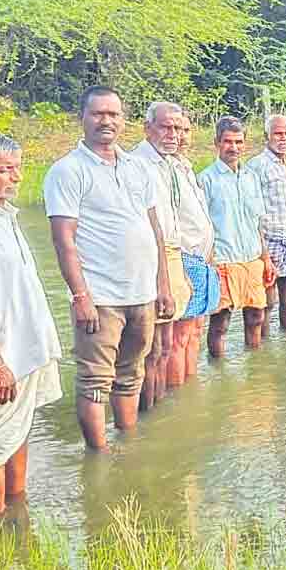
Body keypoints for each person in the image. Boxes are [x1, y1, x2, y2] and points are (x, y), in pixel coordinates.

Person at [44, 86, 174, 451]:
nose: (106, 121)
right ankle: (98, 458)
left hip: (142, 294)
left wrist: (162, 284)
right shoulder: (67, 171)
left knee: (131, 374)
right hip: (100, 296)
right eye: (98, 113)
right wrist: (80, 296)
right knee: (94, 381)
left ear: (123, 120)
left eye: (113, 114)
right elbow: (63, 240)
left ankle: (127, 446)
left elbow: (154, 228)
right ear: (82, 118)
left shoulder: (138, 167)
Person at [0, 131, 63, 517]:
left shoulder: (3, 216)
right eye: (5, 170)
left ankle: (17, 516)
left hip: (27, 349)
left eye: (18, 168)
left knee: (18, 434)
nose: (16, 178)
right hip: (1, 358)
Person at [131, 102, 195, 410]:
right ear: (148, 128)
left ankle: (161, 414)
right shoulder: (137, 164)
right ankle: (146, 416)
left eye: (178, 128)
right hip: (150, 260)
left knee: (166, 345)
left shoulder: (169, 163)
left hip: (172, 254)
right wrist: (162, 281)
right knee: (152, 349)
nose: (173, 135)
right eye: (165, 127)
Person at [199, 118, 275, 357]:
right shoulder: (205, 180)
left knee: (256, 316)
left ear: (245, 144)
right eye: (228, 142)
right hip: (222, 260)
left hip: (252, 258)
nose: (233, 147)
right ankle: (218, 370)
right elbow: (203, 227)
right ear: (217, 143)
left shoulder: (251, 177)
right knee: (220, 323)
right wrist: (210, 265)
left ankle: (255, 370)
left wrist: (267, 259)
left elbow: (257, 224)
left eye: (238, 142)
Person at [246, 114, 286, 333]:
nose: (283, 138)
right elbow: (251, 212)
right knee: (266, 302)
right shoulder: (257, 166)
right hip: (267, 240)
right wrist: (261, 252)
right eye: (278, 134)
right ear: (267, 136)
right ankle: (263, 351)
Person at [171, 113, 217, 386]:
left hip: (201, 259)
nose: (181, 136)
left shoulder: (186, 168)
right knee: (180, 336)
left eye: (186, 130)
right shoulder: (162, 168)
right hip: (183, 259)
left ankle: (191, 390)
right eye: (174, 129)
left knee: (196, 330)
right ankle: (179, 399)